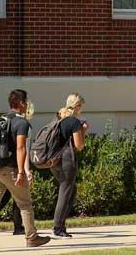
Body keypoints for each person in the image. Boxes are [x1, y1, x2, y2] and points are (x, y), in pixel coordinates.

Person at [0, 89, 50, 249]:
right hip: (10, 169)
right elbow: (21, 148)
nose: (27, 104)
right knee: (25, 204)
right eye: (26, 101)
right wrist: (21, 172)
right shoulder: (22, 123)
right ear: (21, 103)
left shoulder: (2, 120)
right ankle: (32, 237)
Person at [49, 93, 88, 238]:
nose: (81, 109)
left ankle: (61, 225)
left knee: (70, 191)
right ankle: (57, 228)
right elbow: (79, 145)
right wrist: (83, 130)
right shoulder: (74, 121)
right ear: (77, 106)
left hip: (54, 160)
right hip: (66, 160)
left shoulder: (58, 117)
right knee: (66, 192)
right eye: (81, 106)